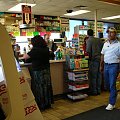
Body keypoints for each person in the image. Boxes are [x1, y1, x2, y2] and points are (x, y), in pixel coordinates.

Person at [23, 35, 54, 110]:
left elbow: (25, 57)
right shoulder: (46, 49)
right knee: (47, 87)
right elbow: (52, 55)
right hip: (46, 70)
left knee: (39, 87)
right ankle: (48, 104)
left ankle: (41, 105)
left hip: (38, 71)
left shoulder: (35, 50)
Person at [100, 27, 120, 110]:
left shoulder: (119, 44)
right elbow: (102, 55)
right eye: (108, 33)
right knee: (107, 84)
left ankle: (111, 103)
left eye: (111, 32)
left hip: (114, 66)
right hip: (106, 65)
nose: (109, 34)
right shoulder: (105, 44)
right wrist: (101, 65)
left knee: (112, 84)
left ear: (115, 34)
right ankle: (115, 96)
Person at [86, 29, 103, 95]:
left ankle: (94, 91)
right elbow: (103, 50)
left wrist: (89, 59)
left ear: (87, 34)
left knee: (93, 76)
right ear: (93, 33)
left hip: (93, 60)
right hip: (100, 59)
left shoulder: (89, 40)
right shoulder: (99, 40)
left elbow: (88, 51)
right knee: (99, 75)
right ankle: (99, 90)